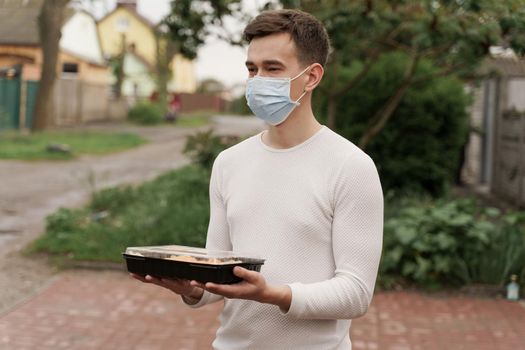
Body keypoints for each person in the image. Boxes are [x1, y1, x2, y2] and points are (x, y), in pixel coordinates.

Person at [132, 9, 383, 349]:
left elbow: (355, 293)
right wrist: (192, 288)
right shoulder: (228, 163)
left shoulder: (351, 167)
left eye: (273, 69)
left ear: (311, 77)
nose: (258, 79)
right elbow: (219, 272)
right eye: (252, 69)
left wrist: (272, 294)